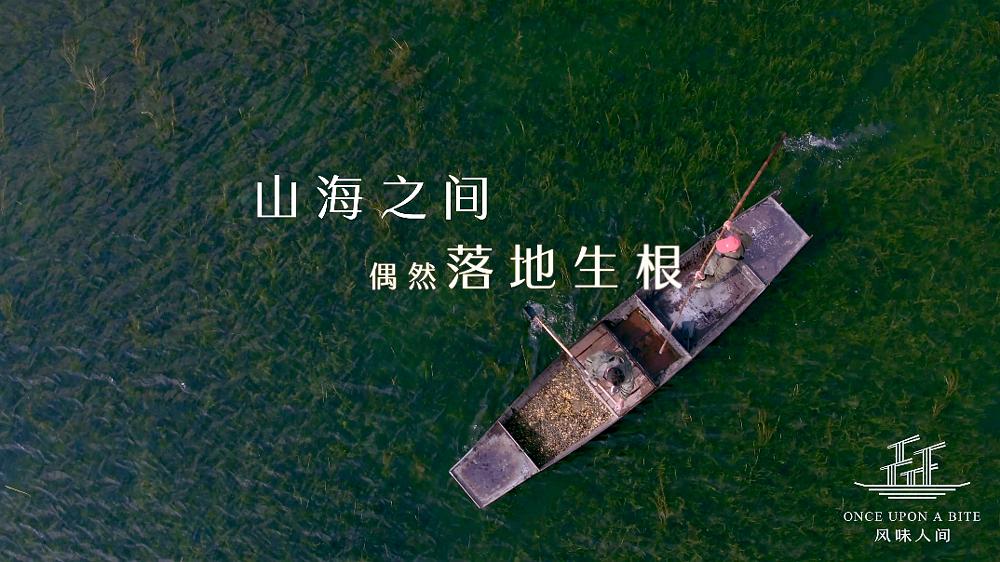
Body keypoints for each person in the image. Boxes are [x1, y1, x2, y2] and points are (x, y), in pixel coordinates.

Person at [694, 220, 751, 289]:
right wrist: (731, 227)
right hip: (730, 253)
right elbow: (744, 235)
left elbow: (715, 278)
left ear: (732, 251)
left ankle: (700, 285)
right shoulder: (745, 239)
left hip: (721, 263)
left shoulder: (728, 263)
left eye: (724, 248)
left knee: (707, 278)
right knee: (713, 255)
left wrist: (703, 277)